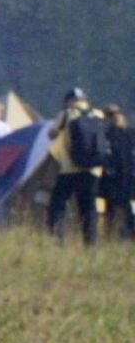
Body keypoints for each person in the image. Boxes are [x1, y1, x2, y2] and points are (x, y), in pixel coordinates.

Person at [47, 87, 108, 244]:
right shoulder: (98, 114)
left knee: (58, 204)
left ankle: (57, 239)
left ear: (69, 101)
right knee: (88, 207)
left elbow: (52, 134)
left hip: (70, 168)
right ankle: (91, 242)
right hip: (93, 169)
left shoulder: (66, 114)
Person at [104, 104, 134, 240]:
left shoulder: (128, 133)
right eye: (111, 114)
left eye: (116, 113)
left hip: (123, 175)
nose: (115, 117)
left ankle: (124, 232)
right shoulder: (109, 134)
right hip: (118, 175)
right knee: (116, 205)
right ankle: (113, 233)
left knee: (122, 205)